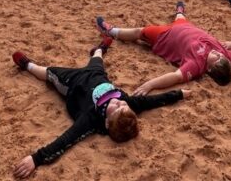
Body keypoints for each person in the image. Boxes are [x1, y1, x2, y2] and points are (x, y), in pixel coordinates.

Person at [11, 36, 190, 179]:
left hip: (73, 82)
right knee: (97, 58)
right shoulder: (129, 103)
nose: (120, 102)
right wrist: (179, 94)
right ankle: (100, 48)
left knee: (48, 72)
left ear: (106, 122)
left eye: (117, 107)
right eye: (124, 105)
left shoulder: (91, 118)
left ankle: (28, 65)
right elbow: (155, 100)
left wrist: (36, 159)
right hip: (97, 74)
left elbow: (66, 139)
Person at [96, 0, 231, 95]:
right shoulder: (227, 56)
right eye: (221, 57)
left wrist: (150, 84)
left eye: (216, 59)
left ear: (208, 69)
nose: (218, 54)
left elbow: (175, 77)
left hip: (164, 37)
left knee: (139, 31)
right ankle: (179, 12)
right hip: (185, 27)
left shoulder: (196, 65)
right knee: (180, 18)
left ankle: (112, 31)